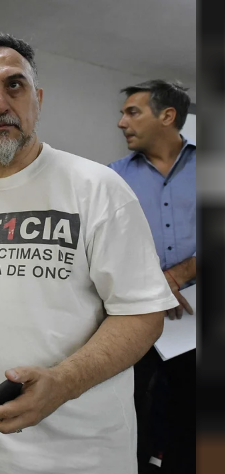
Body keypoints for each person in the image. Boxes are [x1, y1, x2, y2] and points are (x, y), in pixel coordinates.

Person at [0, 33, 177, 474]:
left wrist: (63, 383)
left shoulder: (98, 189)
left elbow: (144, 315)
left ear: (36, 100)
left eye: (14, 86)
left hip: (79, 459)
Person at [109, 80, 196, 474]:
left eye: (133, 112)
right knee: (129, 409)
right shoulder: (112, 178)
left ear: (167, 116)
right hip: (134, 317)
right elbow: (104, 247)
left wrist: (177, 276)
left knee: (192, 413)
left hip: (197, 320)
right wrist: (155, 286)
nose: (121, 122)